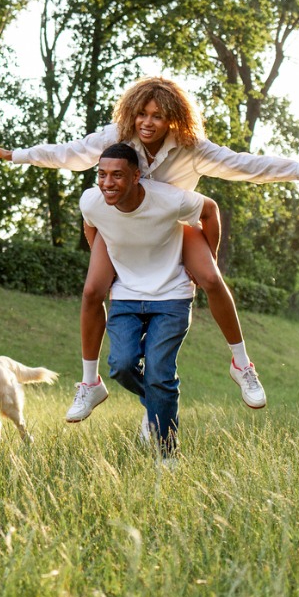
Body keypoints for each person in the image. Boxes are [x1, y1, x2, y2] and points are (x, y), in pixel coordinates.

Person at [0, 76, 299, 422]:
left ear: (173, 119)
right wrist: (18, 155)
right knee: (92, 290)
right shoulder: (119, 136)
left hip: (174, 225)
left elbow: (247, 165)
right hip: (123, 227)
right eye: (142, 114)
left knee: (210, 277)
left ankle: (242, 366)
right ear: (132, 113)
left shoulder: (191, 148)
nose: (147, 122)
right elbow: (72, 153)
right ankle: (90, 383)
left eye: (158, 116)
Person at [80, 143, 211, 456]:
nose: (107, 182)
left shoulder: (167, 199)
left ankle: (167, 455)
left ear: (136, 175)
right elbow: (93, 230)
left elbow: (210, 210)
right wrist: (107, 263)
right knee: (121, 365)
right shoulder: (91, 200)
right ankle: (156, 400)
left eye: (117, 175)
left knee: (159, 374)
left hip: (172, 296)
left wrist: (211, 257)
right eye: (102, 174)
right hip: (125, 295)